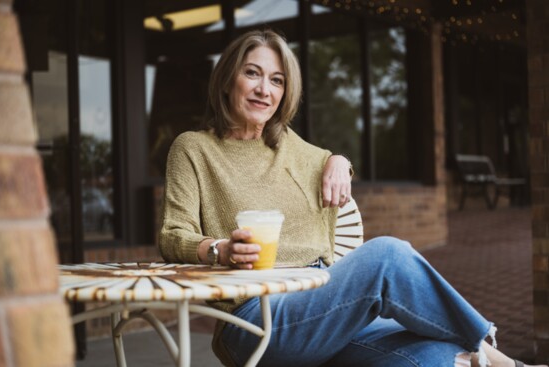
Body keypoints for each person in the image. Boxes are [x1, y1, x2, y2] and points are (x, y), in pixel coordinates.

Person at [159, 29, 546, 367]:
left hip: (326, 307)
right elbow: (173, 234)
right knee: (387, 257)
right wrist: (219, 250)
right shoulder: (194, 149)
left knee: (434, 357)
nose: (265, 90)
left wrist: (341, 162)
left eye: (277, 80)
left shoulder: (285, 144)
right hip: (255, 319)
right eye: (252, 74)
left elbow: (326, 158)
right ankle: (504, 361)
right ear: (228, 80)